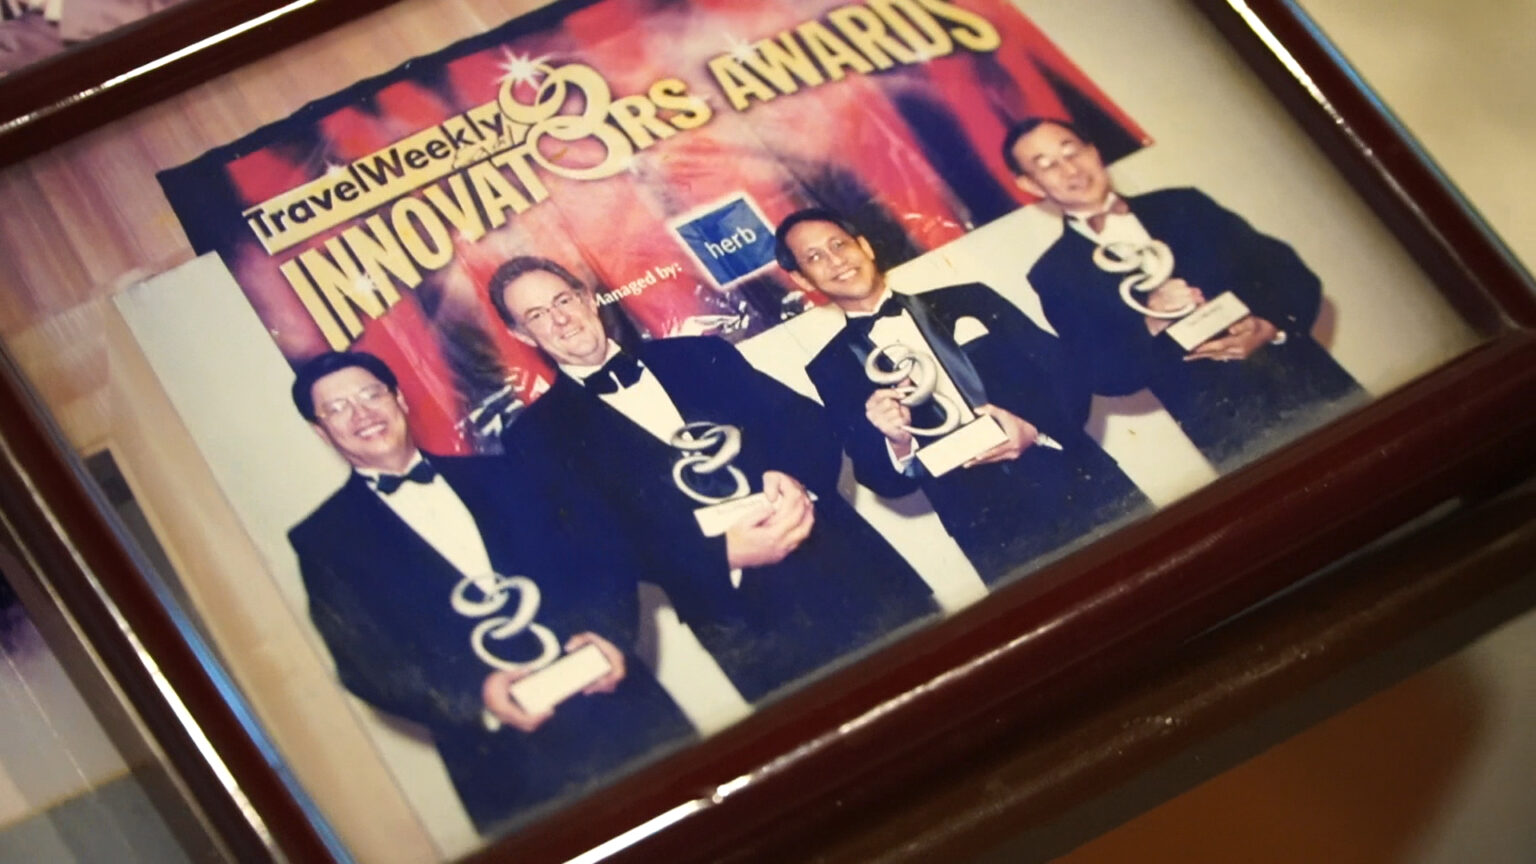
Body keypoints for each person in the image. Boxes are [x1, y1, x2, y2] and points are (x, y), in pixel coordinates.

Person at [490, 257, 937, 702]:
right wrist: (715, 557)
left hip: (850, 568)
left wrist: (791, 475)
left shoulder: (698, 354)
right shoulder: (535, 437)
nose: (561, 320)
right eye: (537, 315)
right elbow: (598, 547)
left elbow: (809, 426)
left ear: (588, 299)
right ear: (522, 335)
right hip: (747, 626)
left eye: (563, 300)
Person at [287, 351, 691, 834]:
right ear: (320, 431)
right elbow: (367, 665)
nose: (362, 414)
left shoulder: (508, 472)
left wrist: (608, 634)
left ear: (398, 399)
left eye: (371, 394)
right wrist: (477, 695)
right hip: (511, 767)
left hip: (625, 715)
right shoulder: (323, 541)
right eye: (337, 409)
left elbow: (603, 559)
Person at [776, 208, 1147, 584]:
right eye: (815, 257)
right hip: (992, 535)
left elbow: (1067, 373)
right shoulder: (830, 368)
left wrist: (1034, 430)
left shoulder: (971, 299)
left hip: (1081, 481)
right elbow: (879, 478)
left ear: (865, 247)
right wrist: (896, 441)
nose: (836, 260)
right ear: (802, 279)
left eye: (839, 244)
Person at [1004, 118, 1363, 470]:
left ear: (1094, 151)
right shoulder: (1054, 274)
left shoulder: (1184, 204)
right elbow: (1102, 374)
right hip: (1230, 431)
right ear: (1030, 184)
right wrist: (1150, 323)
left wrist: (1269, 324)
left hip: (1310, 379)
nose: (1071, 169)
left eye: (1072, 151)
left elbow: (1289, 273)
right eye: (1047, 165)